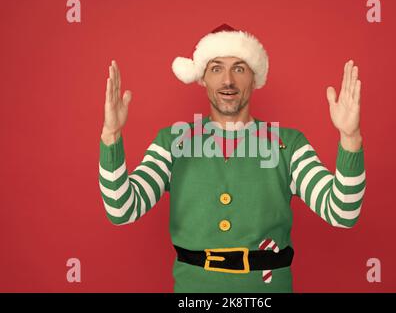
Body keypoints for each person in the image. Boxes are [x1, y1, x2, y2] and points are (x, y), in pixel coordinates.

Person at [98, 24, 366, 293]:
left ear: (254, 77)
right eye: (216, 68)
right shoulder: (173, 142)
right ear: (203, 78)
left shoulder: (289, 145)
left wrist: (350, 138)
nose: (228, 80)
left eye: (239, 68)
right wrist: (111, 134)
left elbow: (342, 212)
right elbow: (122, 210)